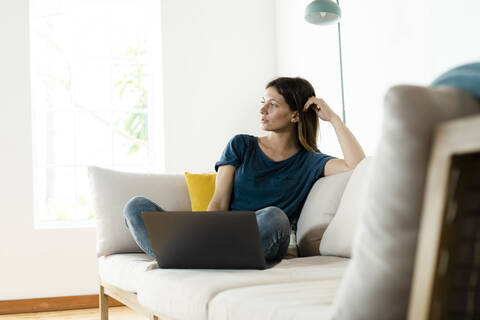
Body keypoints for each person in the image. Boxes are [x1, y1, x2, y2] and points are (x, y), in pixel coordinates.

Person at [123, 77, 365, 263]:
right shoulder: (241, 145)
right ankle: (201, 257)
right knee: (135, 206)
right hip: (223, 235)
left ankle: (189, 258)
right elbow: (218, 203)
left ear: (294, 115)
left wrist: (333, 118)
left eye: (272, 105)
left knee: (275, 217)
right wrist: (204, 234)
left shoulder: (312, 162)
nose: (262, 111)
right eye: (263, 103)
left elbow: (357, 165)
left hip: (263, 238)